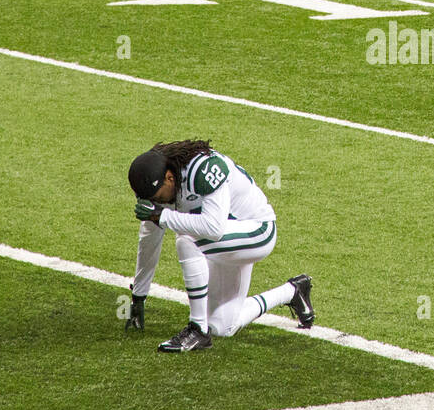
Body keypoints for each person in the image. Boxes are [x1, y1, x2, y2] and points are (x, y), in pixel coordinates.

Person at [125, 137, 313, 352]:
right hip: (225, 244)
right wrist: (139, 295)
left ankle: (197, 330)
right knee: (223, 326)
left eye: (158, 197)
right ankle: (293, 291)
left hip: (257, 232)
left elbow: (214, 228)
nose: (158, 202)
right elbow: (149, 237)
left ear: (169, 178)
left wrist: (163, 216)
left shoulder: (203, 168)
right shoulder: (157, 177)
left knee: (187, 239)